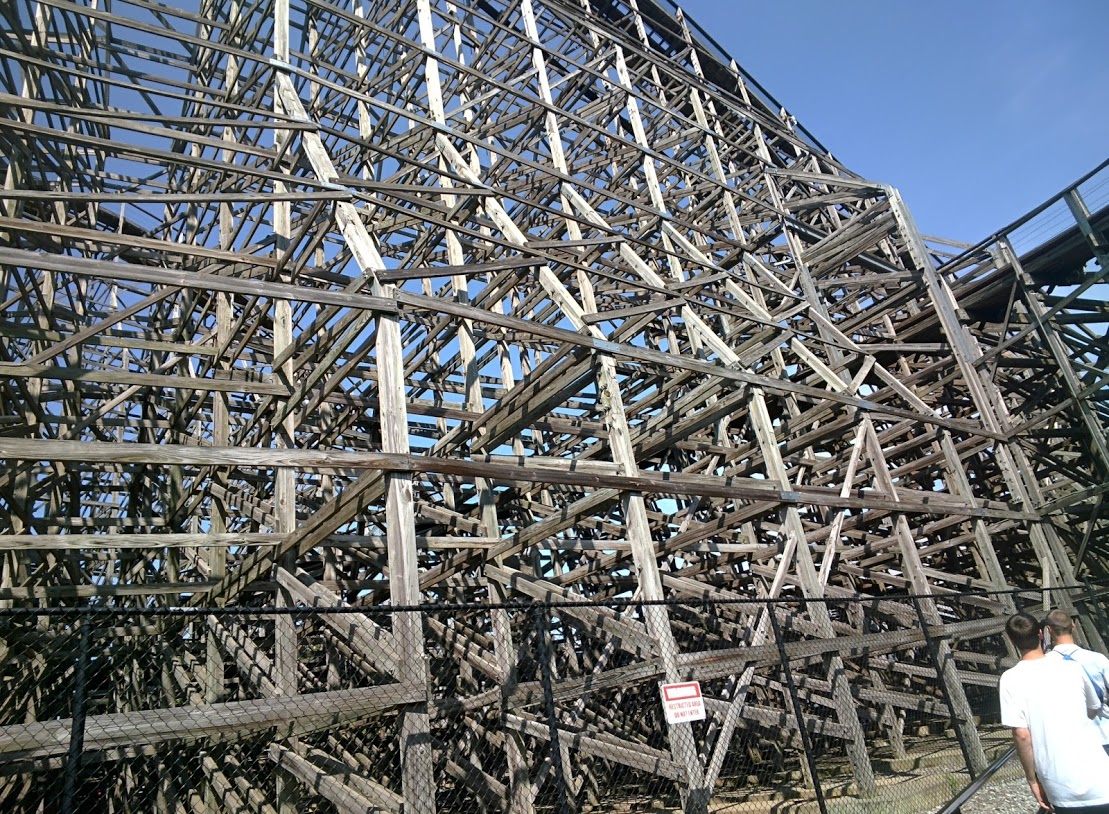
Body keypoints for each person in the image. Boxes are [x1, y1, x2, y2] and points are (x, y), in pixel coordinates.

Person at [999, 612, 1109, 812]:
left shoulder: (1010, 679)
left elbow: (1022, 735)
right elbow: (1093, 708)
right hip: (1099, 774)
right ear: (1041, 634)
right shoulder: (1072, 668)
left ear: (1011, 640)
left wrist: (1032, 779)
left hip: (1060, 783)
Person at [1044, 609, 1109, 755]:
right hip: (1104, 732)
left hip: (1071, 740)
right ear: (1073, 626)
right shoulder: (1098, 659)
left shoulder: (1044, 664)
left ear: (1049, 630)